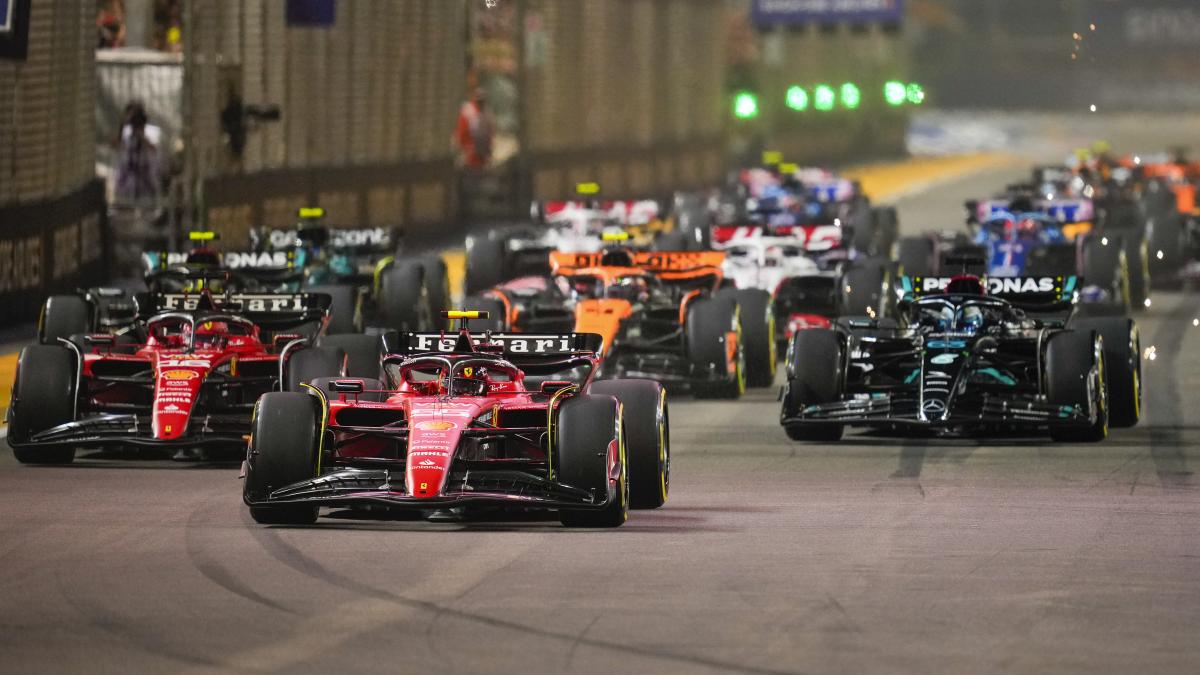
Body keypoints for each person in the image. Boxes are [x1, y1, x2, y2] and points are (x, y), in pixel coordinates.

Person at [455, 88, 494, 170]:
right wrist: (465, 149)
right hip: (470, 155)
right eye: (479, 100)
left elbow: (490, 134)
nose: (481, 103)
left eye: (482, 100)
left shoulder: (487, 112)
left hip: (481, 156)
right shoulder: (468, 111)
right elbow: (462, 134)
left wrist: (488, 152)